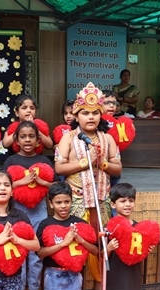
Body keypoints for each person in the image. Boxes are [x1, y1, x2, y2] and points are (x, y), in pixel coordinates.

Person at [55, 82, 122, 231]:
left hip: (102, 199)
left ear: (100, 115)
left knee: (102, 237)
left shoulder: (108, 139)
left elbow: (118, 169)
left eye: (95, 113)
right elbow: (59, 168)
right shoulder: (68, 138)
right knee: (78, 237)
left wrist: (102, 163)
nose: (91, 117)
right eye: (85, 113)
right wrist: (86, 162)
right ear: (76, 117)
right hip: (76, 198)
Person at [3, 121, 56, 290]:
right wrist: (22, 181)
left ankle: (33, 288)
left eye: (31, 136)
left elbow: (56, 186)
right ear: (16, 140)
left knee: (35, 250)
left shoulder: (44, 161)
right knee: (18, 249)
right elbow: (3, 186)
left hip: (38, 210)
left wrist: (42, 182)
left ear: (38, 140)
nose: (27, 140)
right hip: (16, 211)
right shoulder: (11, 161)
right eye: (23, 136)